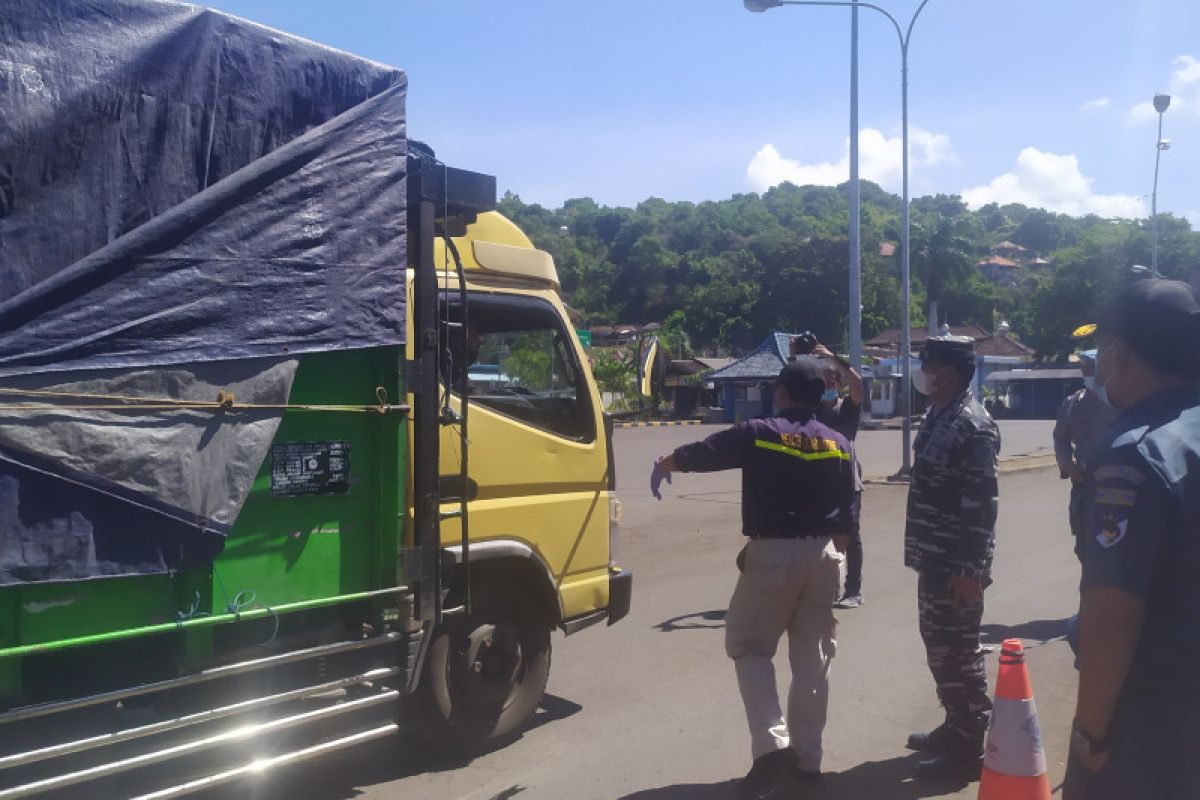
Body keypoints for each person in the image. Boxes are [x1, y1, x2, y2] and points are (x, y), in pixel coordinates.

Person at [650, 357, 854, 795]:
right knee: (813, 661)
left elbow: (708, 452)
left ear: (781, 392)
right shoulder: (839, 442)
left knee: (749, 646)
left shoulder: (760, 431)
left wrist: (668, 462)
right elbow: (849, 513)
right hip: (824, 556)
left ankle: (771, 745)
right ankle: (808, 760)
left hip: (773, 553)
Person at [1063, 278, 1200, 799]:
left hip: (1155, 718)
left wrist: (1090, 734)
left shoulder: (1134, 454)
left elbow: (1114, 610)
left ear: (1120, 352)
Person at [903, 336, 1000, 782]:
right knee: (939, 645)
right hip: (933, 555)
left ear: (953, 371)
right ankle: (955, 723)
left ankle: (969, 747)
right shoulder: (938, 414)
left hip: (957, 562)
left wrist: (970, 570)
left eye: (931, 364)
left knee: (959, 650)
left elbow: (981, 503)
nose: (925, 372)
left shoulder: (973, 424)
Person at [805, 341, 866, 609]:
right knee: (819, 535)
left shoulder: (848, 408)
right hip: (818, 482)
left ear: (840, 381)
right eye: (825, 376)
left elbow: (859, 383)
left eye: (834, 376)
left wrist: (834, 358)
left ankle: (854, 590)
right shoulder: (812, 410)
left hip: (847, 480)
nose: (830, 380)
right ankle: (828, 587)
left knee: (850, 535)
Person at [1052, 349, 1118, 557]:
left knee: (1113, 543)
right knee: (1084, 544)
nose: (1086, 372)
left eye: (1090, 367)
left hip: (1114, 485)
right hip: (1082, 483)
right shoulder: (1072, 403)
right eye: (1083, 368)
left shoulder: (1118, 401)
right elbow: (1060, 437)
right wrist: (1068, 465)